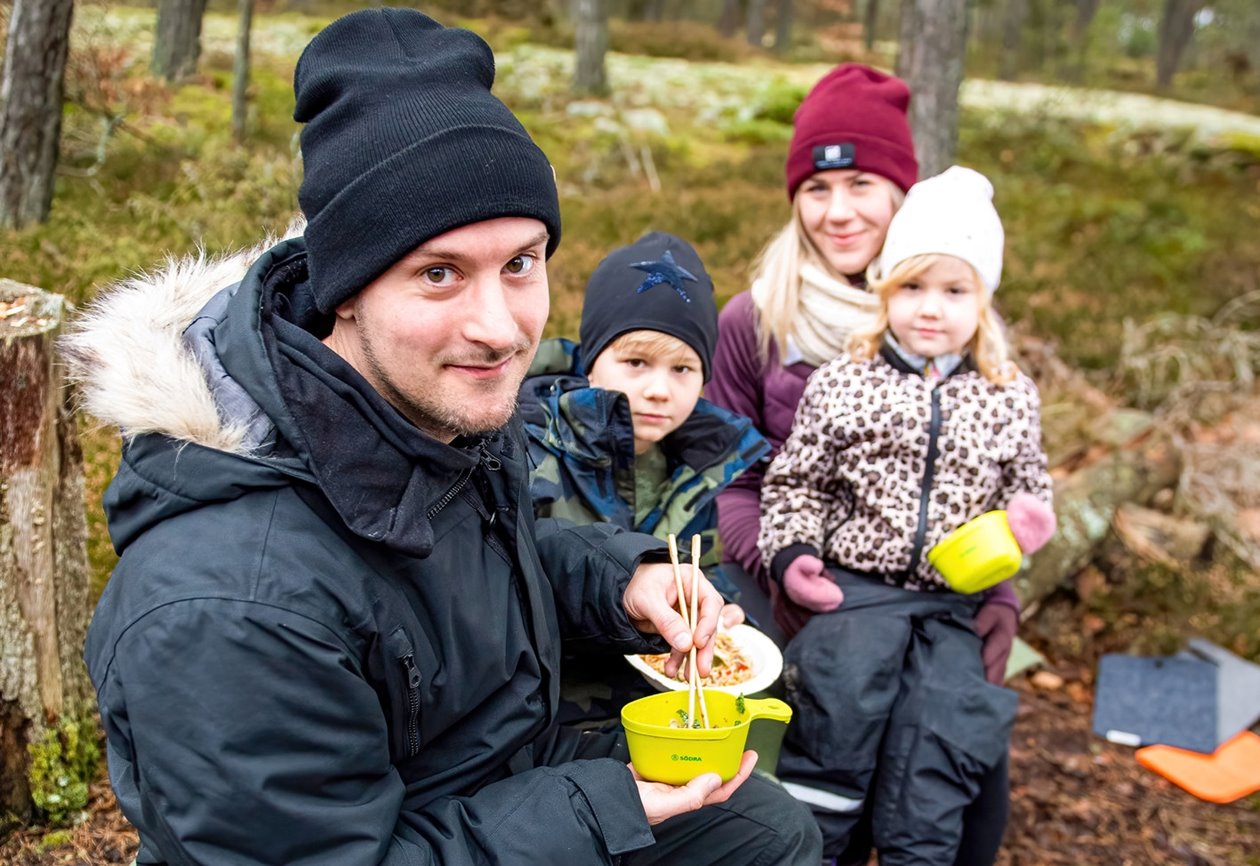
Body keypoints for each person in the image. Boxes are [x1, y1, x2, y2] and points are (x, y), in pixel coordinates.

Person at [63, 9, 822, 865]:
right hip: (401, 834)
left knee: (766, 828)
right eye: (438, 273)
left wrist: (622, 584)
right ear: (345, 289)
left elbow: (477, 562)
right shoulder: (229, 603)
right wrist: (594, 811)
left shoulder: (419, 405)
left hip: (492, 779)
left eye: (520, 263)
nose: (500, 329)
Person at [704, 65, 1020, 863]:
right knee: (818, 777)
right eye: (816, 189)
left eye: (860, 184)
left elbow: (989, 474)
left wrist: (1001, 595)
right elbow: (728, 477)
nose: (838, 212)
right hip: (793, 581)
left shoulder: (949, 313)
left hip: (933, 591)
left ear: (900, 193)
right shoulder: (757, 320)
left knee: (963, 781)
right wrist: (780, 571)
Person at [758, 166, 1057, 863]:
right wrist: (793, 554)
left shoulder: (1008, 395)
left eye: (954, 291)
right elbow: (797, 480)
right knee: (826, 758)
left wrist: (1028, 518)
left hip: (954, 607)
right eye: (912, 287)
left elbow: (1027, 479)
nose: (931, 308)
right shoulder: (844, 383)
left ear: (983, 300)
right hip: (855, 601)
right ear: (886, 290)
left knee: (932, 775)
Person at [519, 231, 768, 725]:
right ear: (592, 362)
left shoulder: (695, 464)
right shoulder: (528, 444)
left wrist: (722, 610)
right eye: (636, 363)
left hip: (657, 700)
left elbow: (705, 564)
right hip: (546, 705)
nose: (659, 390)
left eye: (683, 368)